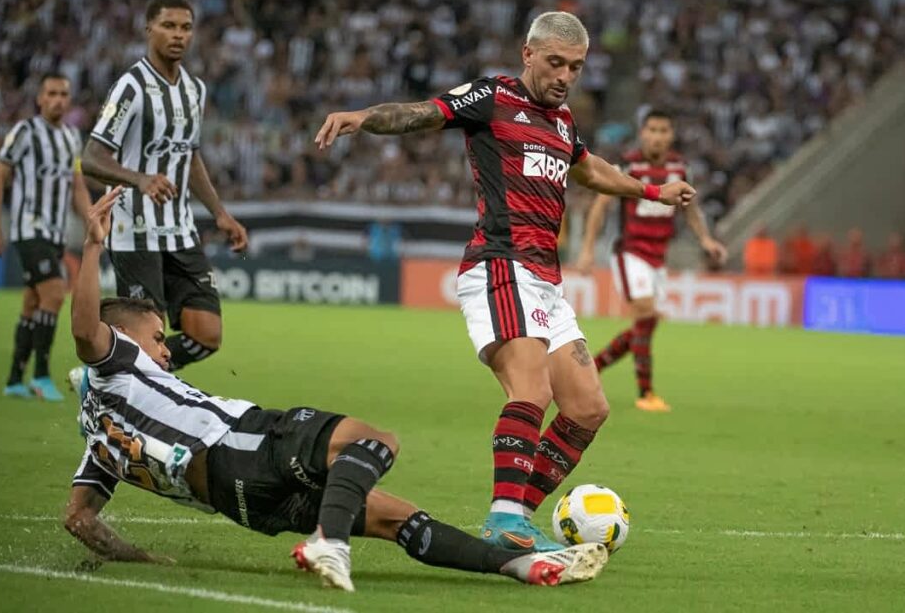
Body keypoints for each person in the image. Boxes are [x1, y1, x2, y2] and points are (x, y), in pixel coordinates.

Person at [66, 187, 608, 592]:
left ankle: (519, 565)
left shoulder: (98, 439)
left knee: (395, 518)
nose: (166, 350)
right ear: (122, 337)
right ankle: (331, 541)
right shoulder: (117, 360)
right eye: (158, 339)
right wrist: (94, 249)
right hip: (241, 441)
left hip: (243, 506)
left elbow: (80, 519)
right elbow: (86, 331)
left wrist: (140, 560)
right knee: (375, 441)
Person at [315, 12, 695, 551]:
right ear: (528, 54)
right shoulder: (493, 96)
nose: (565, 76)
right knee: (532, 390)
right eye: (556, 63)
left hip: (545, 280)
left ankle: (519, 517)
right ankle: (505, 518)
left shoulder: (562, 122)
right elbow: (423, 113)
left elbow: (589, 170)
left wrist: (653, 193)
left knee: (588, 407)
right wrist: (364, 117)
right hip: (501, 264)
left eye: (577, 67)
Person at [80, 0, 248, 371]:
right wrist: (139, 179)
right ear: (148, 29)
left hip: (180, 227)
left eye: (186, 28)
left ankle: (109, 372)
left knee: (207, 333)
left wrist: (220, 213)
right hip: (133, 227)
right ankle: (132, 404)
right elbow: (91, 156)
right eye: (168, 26)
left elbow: (188, 155)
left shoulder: (195, 90)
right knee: (145, 332)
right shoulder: (132, 86)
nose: (178, 35)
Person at [576, 110, 726, 413]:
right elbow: (599, 207)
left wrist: (706, 240)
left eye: (663, 130)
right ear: (642, 133)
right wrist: (588, 249)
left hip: (659, 258)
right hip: (630, 252)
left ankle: (589, 370)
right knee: (645, 313)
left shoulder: (680, 168)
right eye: (652, 130)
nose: (657, 136)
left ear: (671, 135)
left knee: (646, 322)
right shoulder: (628, 165)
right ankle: (646, 392)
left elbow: (691, 209)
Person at [0, 73, 92, 401]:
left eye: (64, 94)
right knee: (56, 292)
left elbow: (76, 184)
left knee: (33, 301)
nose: (58, 99)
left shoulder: (72, 137)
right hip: (29, 228)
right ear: (40, 99)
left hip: (56, 232)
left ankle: (15, 379)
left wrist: (93, 222)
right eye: (52, 93)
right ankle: (41, 376)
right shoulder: (25, 132)